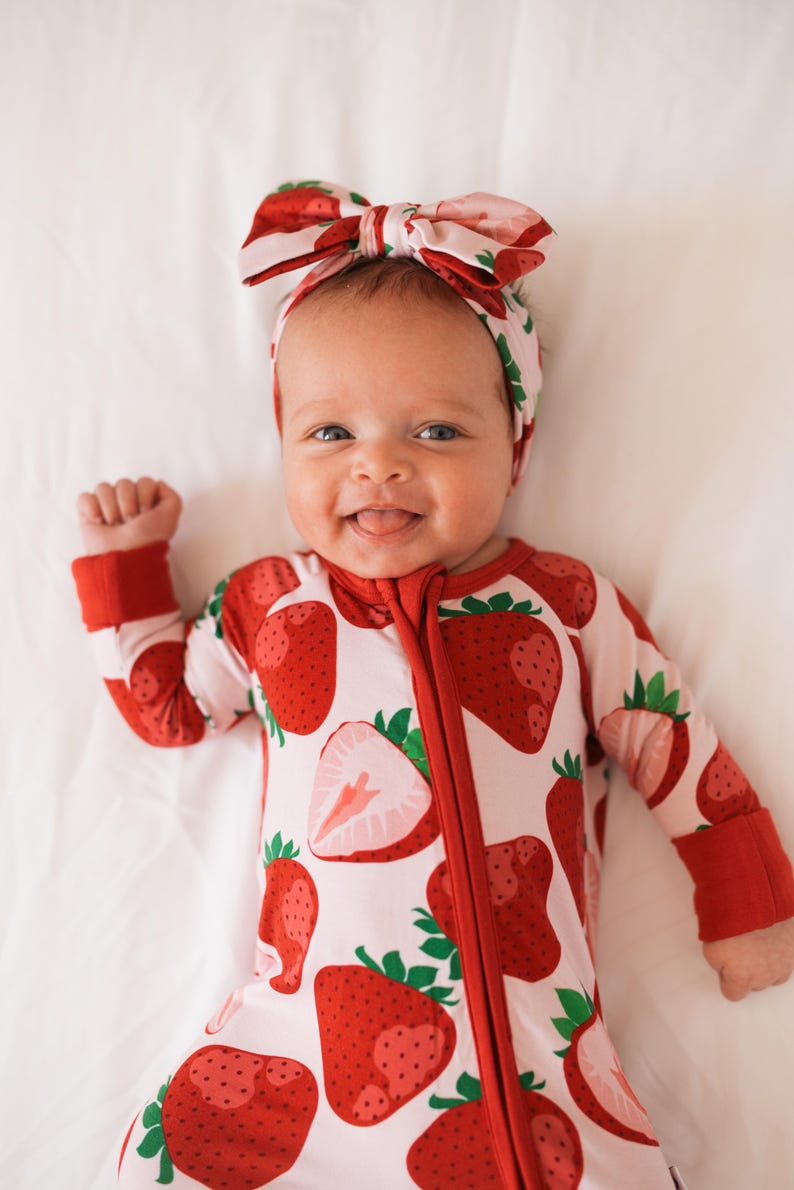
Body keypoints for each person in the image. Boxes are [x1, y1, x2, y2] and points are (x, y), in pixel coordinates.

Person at [73, 182, 794, 1190]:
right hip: (302, 1054)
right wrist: (126, 570)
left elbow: (671, 742)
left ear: (515, 449)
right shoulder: (270, 605)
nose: (379, 467)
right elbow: (172, 707)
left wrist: (747, 900)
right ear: (282, 444)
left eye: (437, 434)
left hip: (538, 1073)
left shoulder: (566, 603)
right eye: (331, 434)